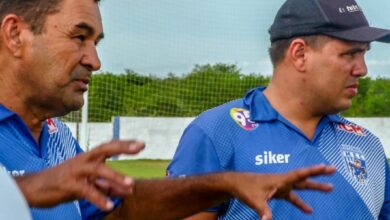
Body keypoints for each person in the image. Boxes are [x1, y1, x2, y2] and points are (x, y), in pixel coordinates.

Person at [0, 0, 338, 220]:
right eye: (79, 37)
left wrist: (226, 183)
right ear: (15, 34)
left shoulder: (57, 138)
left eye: (96, 43)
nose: (95, 61)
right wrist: (26, 190)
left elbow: (121, 209)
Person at [167, 0, 390, 219]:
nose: (362, 69)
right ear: (300, 54)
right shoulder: (216, 134)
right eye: (350, 54)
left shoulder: (367, 144)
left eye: (364, 55)